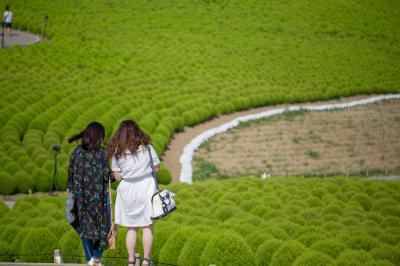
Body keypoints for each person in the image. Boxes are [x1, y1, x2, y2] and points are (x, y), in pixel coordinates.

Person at [106, 120, 160, 266]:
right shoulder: (147, 148)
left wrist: (130, 173)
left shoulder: (118, 153)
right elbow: (157, 168)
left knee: (131, 227)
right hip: (146, 187)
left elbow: (117, 176)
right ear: (137, 132)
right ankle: (146, 260)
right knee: (147, 226)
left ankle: (131, 260)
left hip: (127, 189)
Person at [68, 122, 113, 266]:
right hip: (99, 199)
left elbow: (70, 175)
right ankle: (96, 258)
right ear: (99, 137)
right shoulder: (102, 154)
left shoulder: (76, 152)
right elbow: (108, 177)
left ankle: (91, 260)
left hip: (81, 199)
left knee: (84, 228)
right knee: (103, 229)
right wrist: (119, 175)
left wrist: (71, 193)